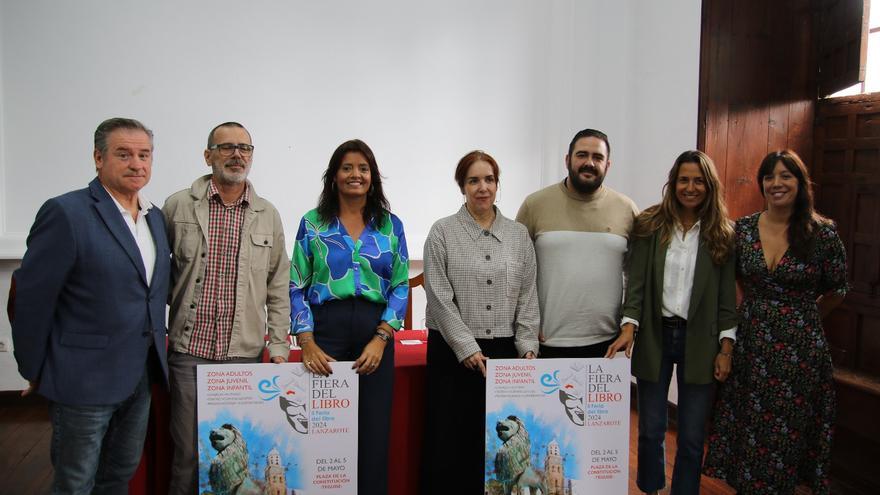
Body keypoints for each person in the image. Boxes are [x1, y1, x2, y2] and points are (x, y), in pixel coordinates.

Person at [11, 117, 170, 493]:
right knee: (76, 480)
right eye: (124, 154)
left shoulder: (155, 218)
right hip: (82, 378)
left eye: (144, 154)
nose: (136, 163)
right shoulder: (67, 213)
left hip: (140, 375)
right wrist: (32, 368)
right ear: (99, 158)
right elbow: (31, 299)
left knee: (119, 474)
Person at [703, 150, 848, 494]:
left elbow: (838, 289)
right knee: (749, 429)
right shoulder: (744, 229)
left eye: (786, 176)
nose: (777, 183)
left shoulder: (822, 233)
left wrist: (805, 317)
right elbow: (735, 280)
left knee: (788, 433)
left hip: (800, 350)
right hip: (751, 342)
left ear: (800, 183)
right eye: (769, 177)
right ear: (762, 184)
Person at [162, 122, 291, 494]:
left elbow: (278, 286)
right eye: (227, 147)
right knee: (188, 454)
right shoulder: (178, 206)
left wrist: (279, 345)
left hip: (244, 357)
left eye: (245, 148)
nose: (237, 155)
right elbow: (157, 277)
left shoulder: (268, 214)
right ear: (208, 155)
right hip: (190, 354)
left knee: (235, 458)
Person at [604, 150, 737, 495]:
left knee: (692, 436)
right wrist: (629, 324)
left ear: (709, 187)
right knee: (651, 428)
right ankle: (649, 488)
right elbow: (635, 282)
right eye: (683, 180)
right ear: (673, 183)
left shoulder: (722, 233)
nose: (690, 187)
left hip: (701, 340)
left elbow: (726, 298)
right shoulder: (651, 224)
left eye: (698, 181)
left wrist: (726, 347)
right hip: (655, 335)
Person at [289, 139, 408, 495]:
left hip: (376, 333)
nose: (355, 174)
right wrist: (306, 339)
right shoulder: (313, 223)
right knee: (324, 432)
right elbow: (296, 284)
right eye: (347, 168)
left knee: (373, 434)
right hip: (327, 333)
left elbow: (400, 286)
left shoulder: (390, 225)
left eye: (363, 168)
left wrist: (382, 337)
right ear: (334, 176)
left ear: (373, 177)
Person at [420, 151, 540, 494]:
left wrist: (528, 346)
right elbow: (439, 297)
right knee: (452, 441)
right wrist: (466, 348)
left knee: (496, 444)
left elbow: (528, 295)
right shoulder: (442, 232)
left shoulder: (518, 236)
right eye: (473, 180)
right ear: (463, 186)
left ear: (497, 184)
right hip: (452, 354)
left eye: (489, 179)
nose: (482, 187)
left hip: (504, 354)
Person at [516, 128, 639, 357]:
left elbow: (636, 276)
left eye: (597, 157)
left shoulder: (626, 209)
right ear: (567, 160)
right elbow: (515, 271)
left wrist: (630, 324)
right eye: (582, 155)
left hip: (608, 344)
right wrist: (524, 327)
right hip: (546, 342)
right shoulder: (535, 205)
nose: (589, 163)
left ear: (607, 165)